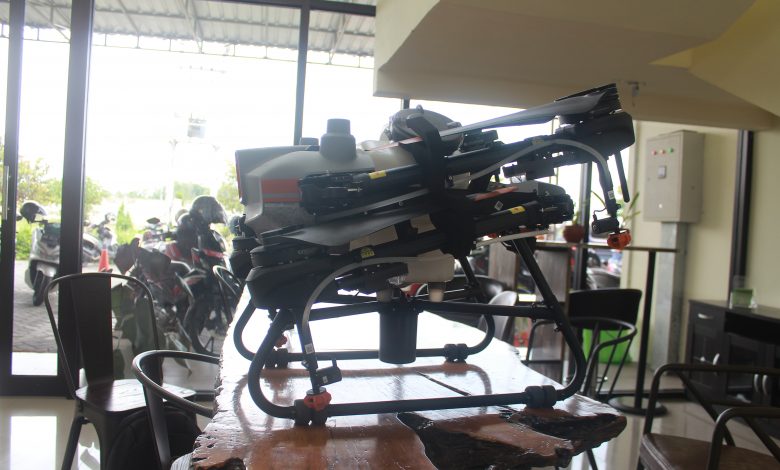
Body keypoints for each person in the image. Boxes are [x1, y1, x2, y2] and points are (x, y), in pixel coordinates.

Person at [174, 195, 227, 263]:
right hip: (192, 261)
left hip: (206, 260)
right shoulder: (188, 223)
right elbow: (191, 248)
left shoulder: (205, 229)